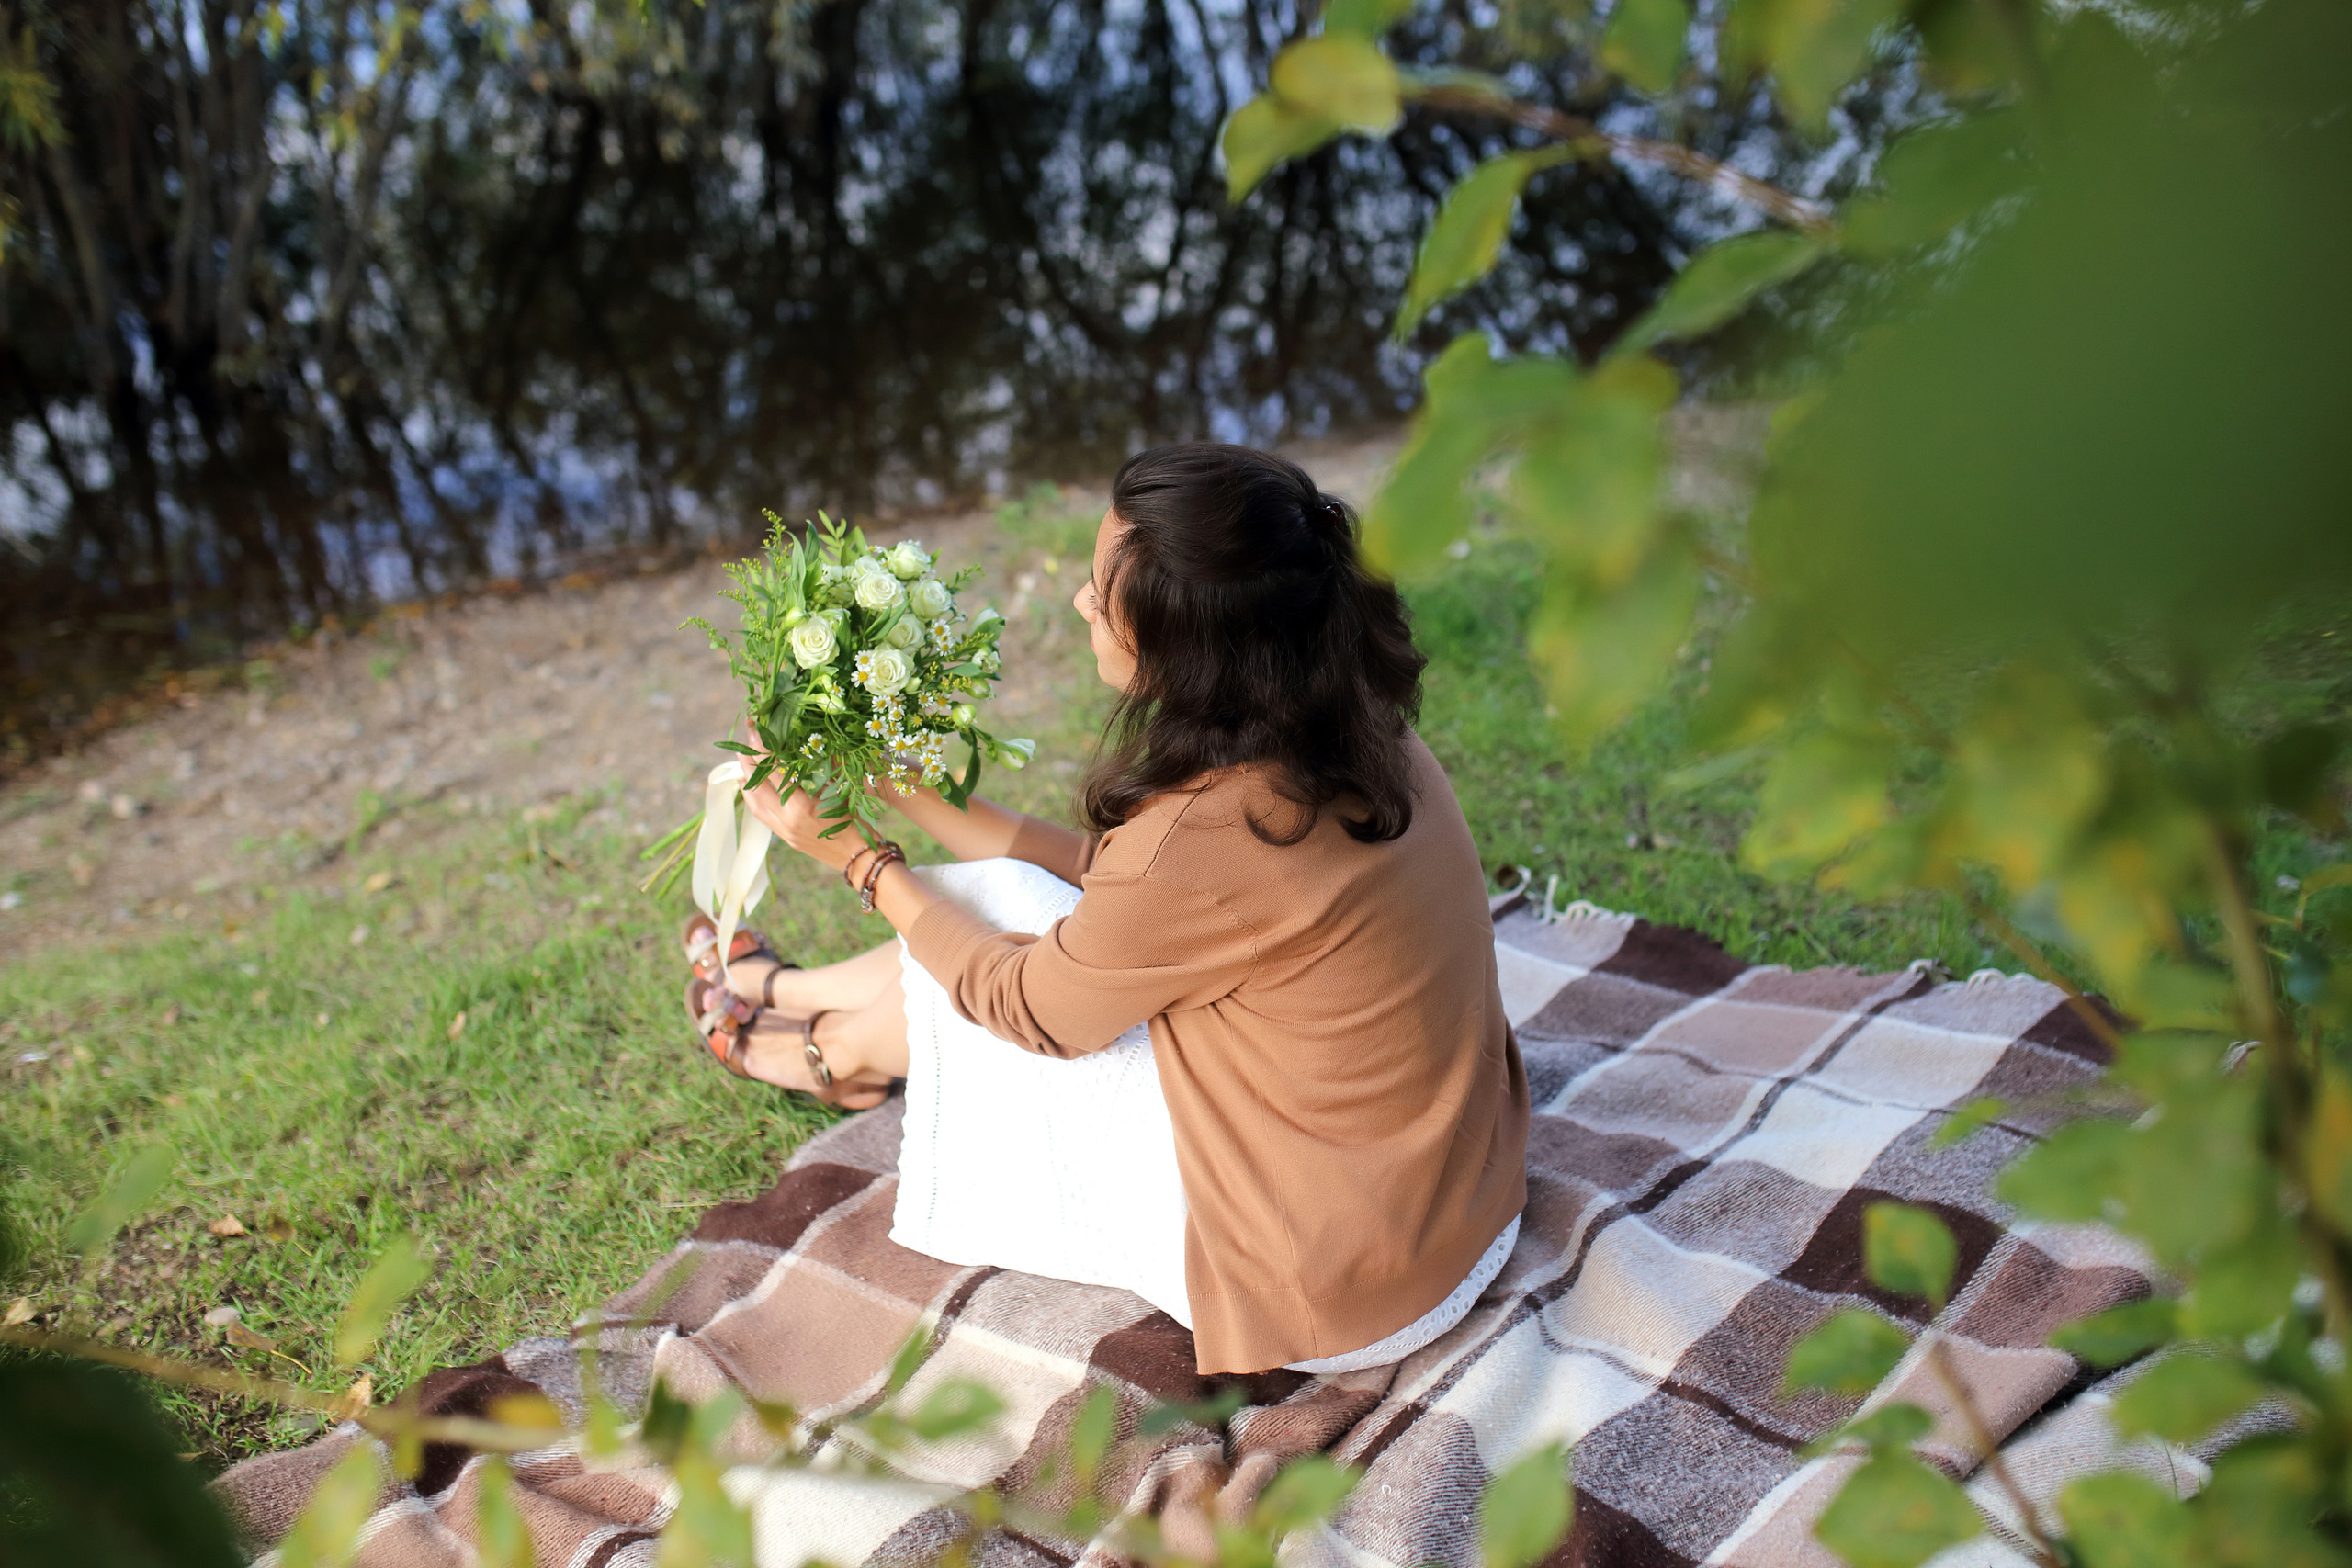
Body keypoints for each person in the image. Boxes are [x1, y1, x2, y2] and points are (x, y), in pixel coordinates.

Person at [680, 442, 1529, 1378]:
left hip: (1344, 1287)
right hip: (1460, 1209)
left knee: (987, 937)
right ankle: (787, 991)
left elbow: (1036, 1011)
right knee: (996, 913)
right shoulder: (1342, 722)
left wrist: (860, 861)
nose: (1082, 603)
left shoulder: (1210, 831)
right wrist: (908, 792)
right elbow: (1121, 886)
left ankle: (823, 1052)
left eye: (1099, 591)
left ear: (1184, 646)